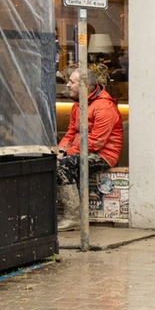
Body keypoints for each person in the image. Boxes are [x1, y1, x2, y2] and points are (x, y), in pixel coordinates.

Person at [56, 69, 124, 231]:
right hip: (82, 151)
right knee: (53, 161)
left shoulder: (104, 107)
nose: (68, 84)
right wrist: (59, 151)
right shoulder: (78, 105)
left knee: (63, 165)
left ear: (85, 85)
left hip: (102, 155)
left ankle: (73, 217)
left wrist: (66, 153)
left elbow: (95, 143)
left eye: (72, 82)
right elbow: (71, 133)